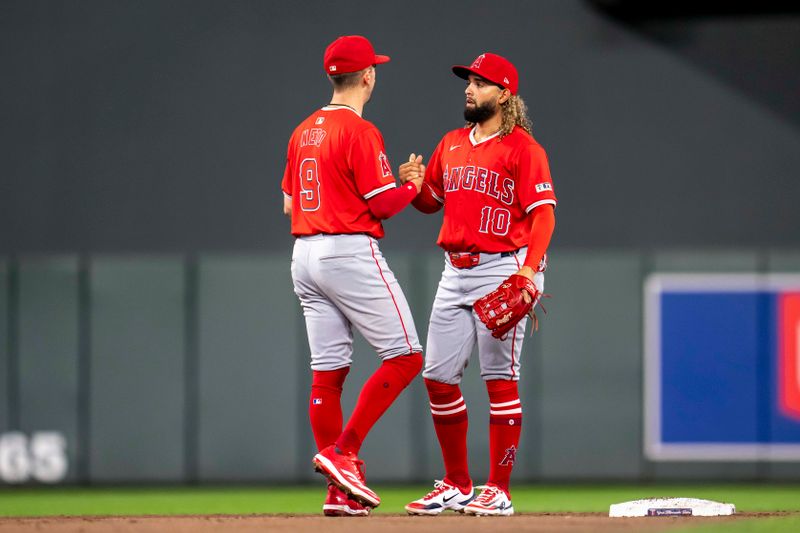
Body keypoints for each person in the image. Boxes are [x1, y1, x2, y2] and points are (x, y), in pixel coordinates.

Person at [399, 52, 557, 516]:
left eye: (481, 83)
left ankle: (500, 489)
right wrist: (413, 186)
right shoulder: (450, 143)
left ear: (504, 93)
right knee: (437, 378)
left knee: (499, 379)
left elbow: (543, 214)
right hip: (455, 270)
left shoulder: (524, 148)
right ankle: (456, 483)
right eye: (468, 81)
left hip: (502, 267)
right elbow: (431, 202)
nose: (470, 89)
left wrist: (528, 271)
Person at [281, 35, 424, 516]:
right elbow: (382, 203)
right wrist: (410, 186)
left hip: (304, 255)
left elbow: (288, 203)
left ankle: (337, 494)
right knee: (405, 356)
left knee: (328, 374)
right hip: (347, 251)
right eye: (374, 68)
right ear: (368, 75)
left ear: (331, 75)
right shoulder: (360, 131)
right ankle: (343, 452)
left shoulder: (303, 130)